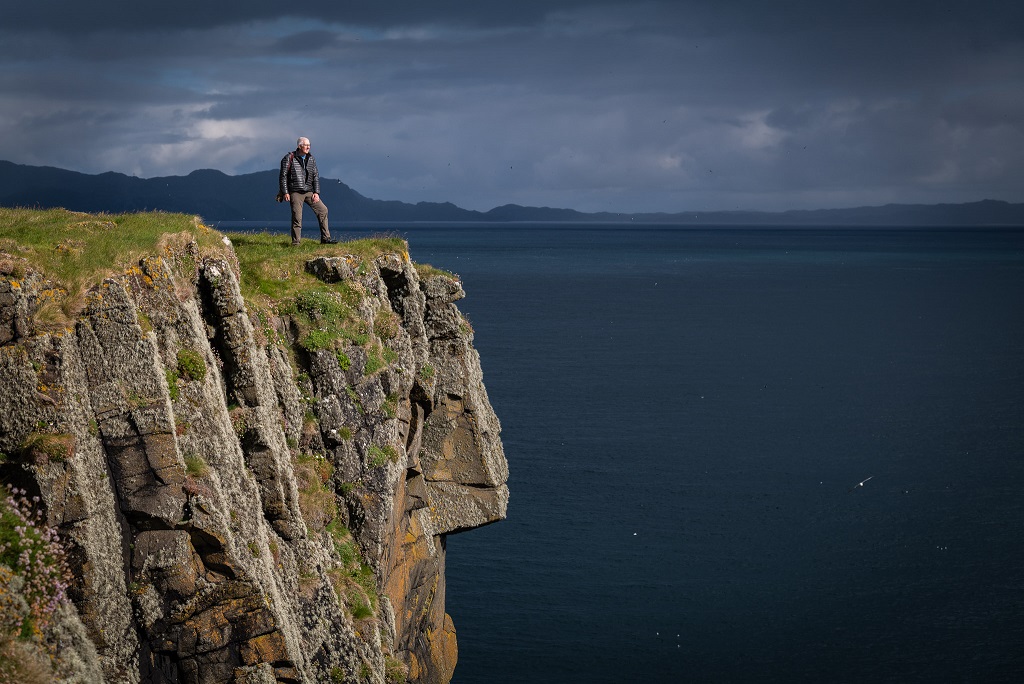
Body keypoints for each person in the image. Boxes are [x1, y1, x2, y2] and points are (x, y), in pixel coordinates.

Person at [280, 137, 337, 245]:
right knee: (297, 217)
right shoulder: (289, 158)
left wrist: (316, 193)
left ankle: (326, 239)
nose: (308, 147)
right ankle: (296, 243)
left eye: (309, 145)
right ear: (299, 146)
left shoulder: (311, 159)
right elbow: (283, 176)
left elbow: (315, 176)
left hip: (309, 191)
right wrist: (285, 192)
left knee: (323, 210)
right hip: (295, 192)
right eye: (306, 145)